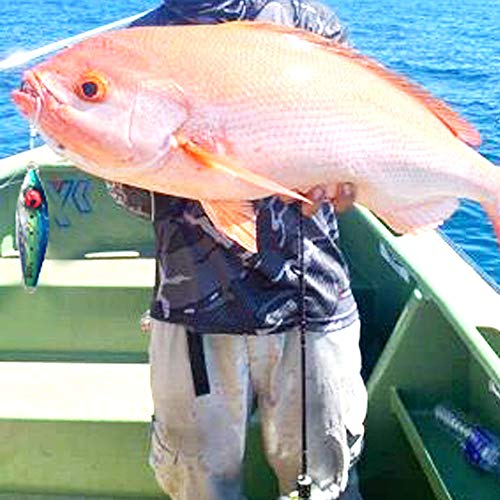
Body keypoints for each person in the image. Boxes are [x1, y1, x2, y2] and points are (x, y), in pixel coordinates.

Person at [108, 1, 367, 499]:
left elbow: (361, 130)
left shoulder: (306, 22)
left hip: (310, 299)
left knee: (323, 484)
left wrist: (346, 179)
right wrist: (121, 151)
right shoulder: (137, 45)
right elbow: (133, 199)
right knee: (200, 486)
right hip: (192, 311)